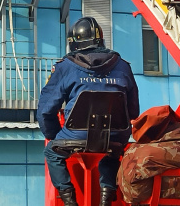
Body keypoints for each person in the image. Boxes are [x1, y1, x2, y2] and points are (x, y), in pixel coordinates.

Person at [38, 17, 140, 206]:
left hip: (75, 134)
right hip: (115, 135)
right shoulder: (123, 66)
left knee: (52, 153)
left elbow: (45, 111)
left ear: (74, 43)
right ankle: (106, 197)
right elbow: (133, 111)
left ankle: (70, 201)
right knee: (112, 154)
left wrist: (55, 135)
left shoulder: (65, 66)